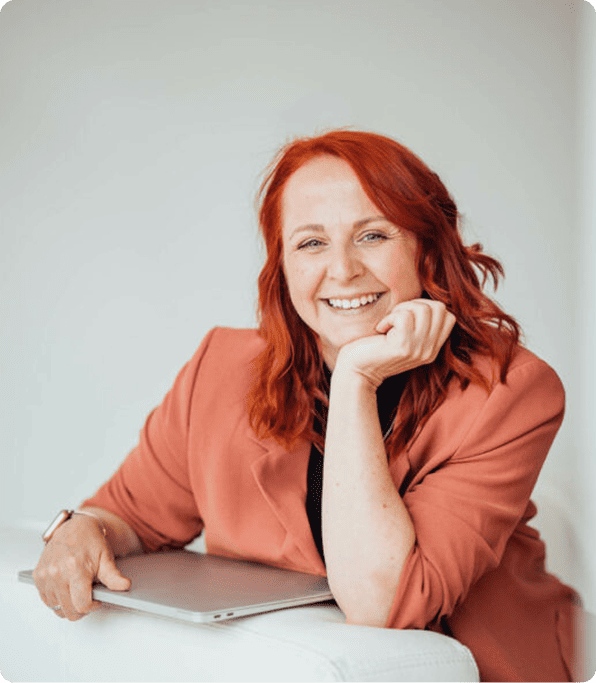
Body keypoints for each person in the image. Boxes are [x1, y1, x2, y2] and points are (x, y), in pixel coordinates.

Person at [33, 129, 581, 682]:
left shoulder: (511, 390)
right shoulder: (219, 369)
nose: (342, 270)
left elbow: (381, 602)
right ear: (283, 265)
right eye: (311, 243)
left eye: (372, 235)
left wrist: (356, 378)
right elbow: (128, 517)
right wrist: (84, 530)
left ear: (427, 249)